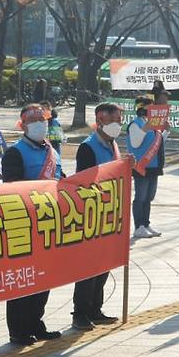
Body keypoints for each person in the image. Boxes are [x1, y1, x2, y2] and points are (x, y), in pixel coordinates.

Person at [1, 104, 62, 346]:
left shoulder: (52, 151)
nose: (40, 123)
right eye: (33, 119)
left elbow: (60, 179)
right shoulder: (15, 153)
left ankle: (36, 323)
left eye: (43, 118)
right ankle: (18, 330)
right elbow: (12, 188)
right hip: (23, 225)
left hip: (48, 223)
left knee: (44, 278)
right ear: (22, 125)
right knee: (22, 280)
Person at [71, 103, 122, 331]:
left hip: (110, 214)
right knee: (87, 267)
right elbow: (84, 182)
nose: (118, 124)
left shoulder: (113, 145)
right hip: (92, 215)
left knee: (104, 265)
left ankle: (95, 309)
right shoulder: (88, 147)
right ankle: (80, 312)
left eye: (120, 120)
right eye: (114, 120)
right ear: (100, 119)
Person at [126, 95, 167, 239]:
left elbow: (156, 142)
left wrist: (165, 131)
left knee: (149, 197)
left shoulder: (151, 124)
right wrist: (146, 128)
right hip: (141, 166)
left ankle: (146, 223)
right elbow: (136, 143)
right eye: (150, 107)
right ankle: (139, 226)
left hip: (153, 166)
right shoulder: (134, 124)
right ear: (142, 108)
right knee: (141, 197)